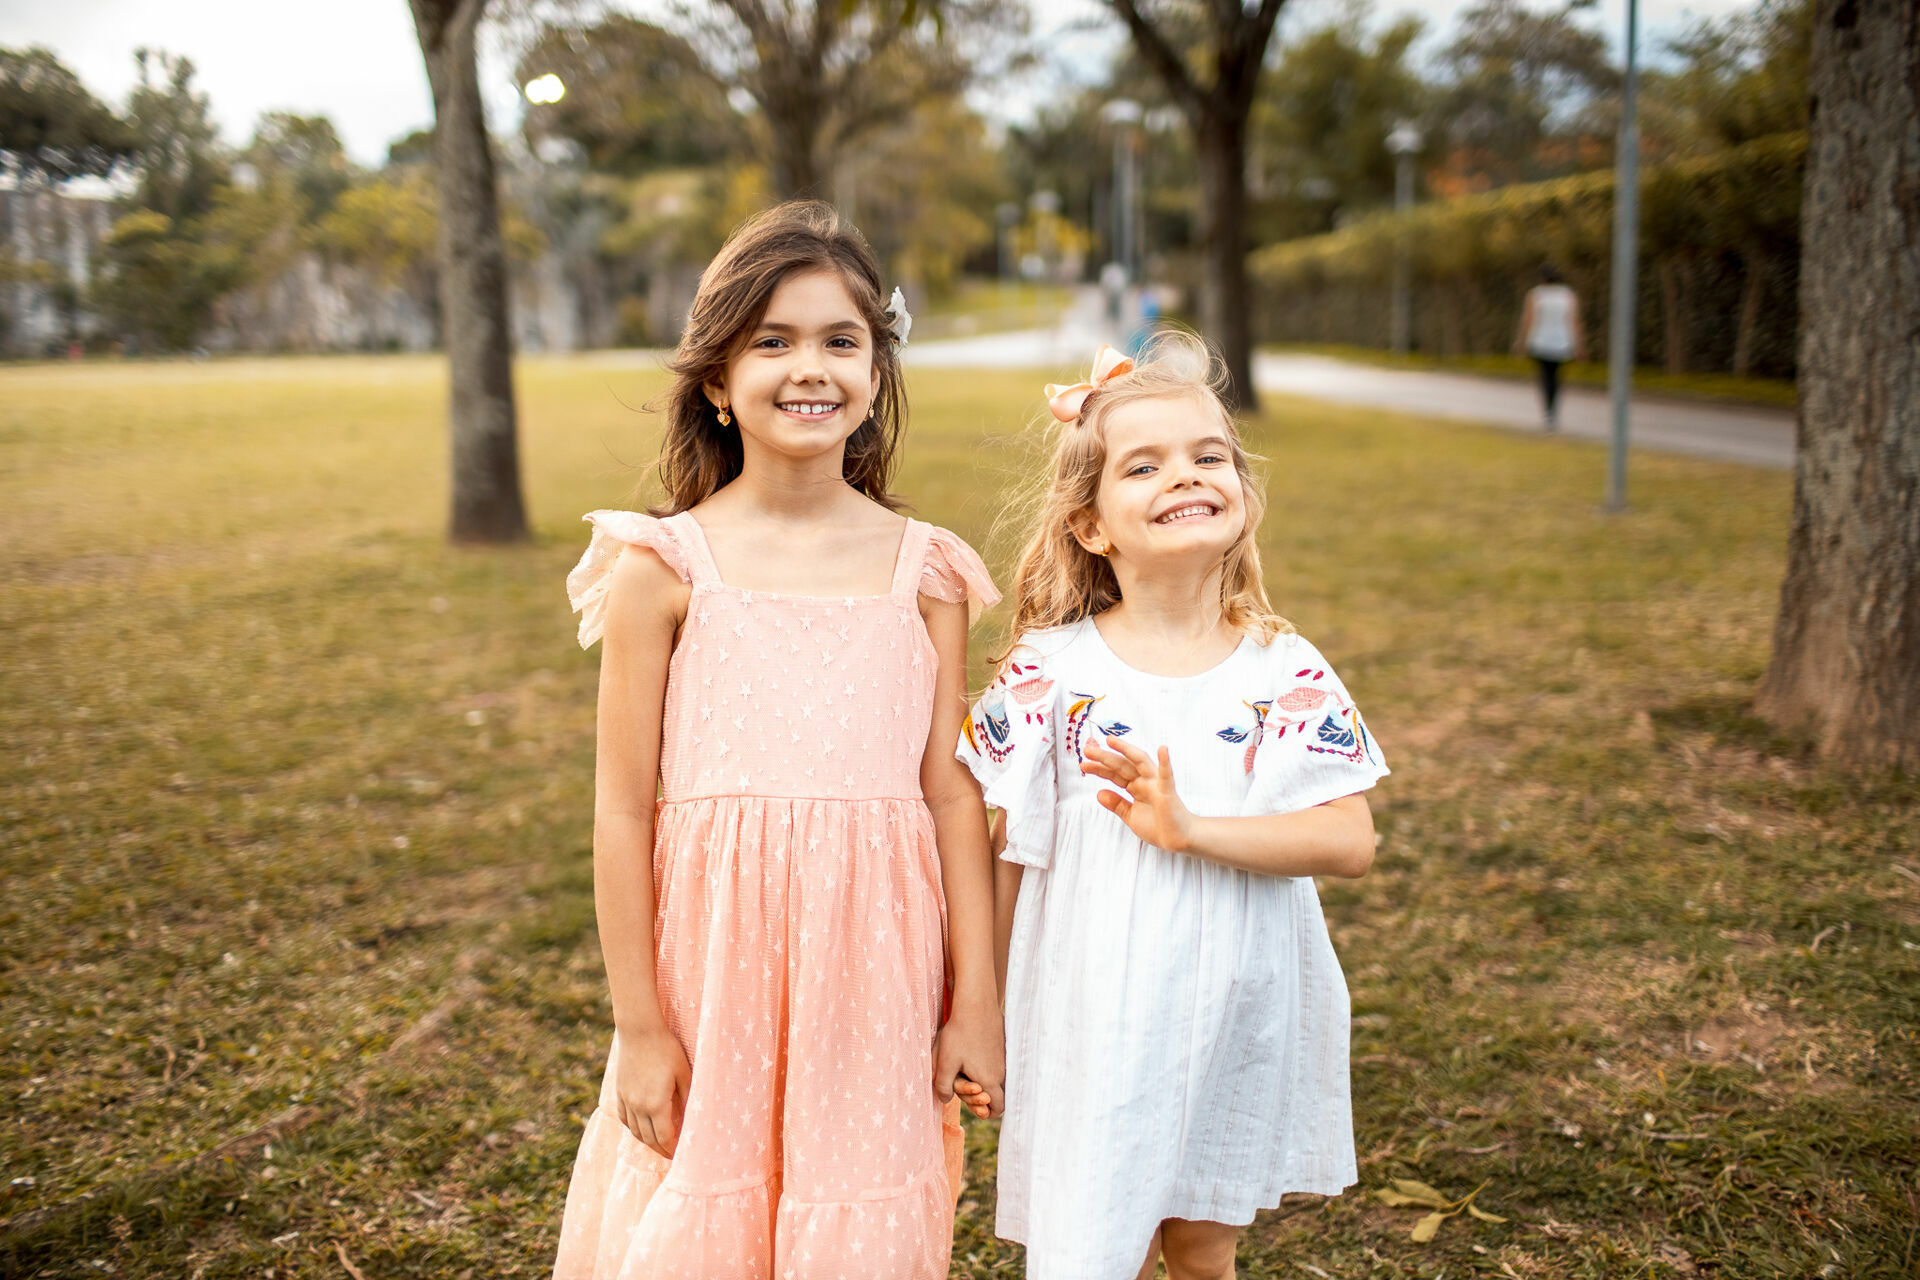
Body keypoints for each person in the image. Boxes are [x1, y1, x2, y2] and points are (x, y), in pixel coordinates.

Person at [553, 200, 1005, 1280]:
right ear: (717, 379)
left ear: (878, 369)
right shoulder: (662, 566)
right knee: (707, 1218)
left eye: (841, 340)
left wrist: (975, 1000)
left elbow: (952, 797)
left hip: (879, 973)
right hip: (712, 974)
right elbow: (623, 805)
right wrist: (642, 1026)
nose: (813, 368)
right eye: (774, 340)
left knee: (856, 1219)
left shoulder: (926, 570)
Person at [957, 336, 1388, 1280]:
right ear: (1092, 525)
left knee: (1202, 1248)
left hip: (1236, 1009)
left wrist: (1192, 828)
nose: (1185, 476)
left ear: (1241, 493)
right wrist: (976, 1012)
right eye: (1142, 464)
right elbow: (1003, 850)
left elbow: (1349, 839)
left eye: (1209, 455)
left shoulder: (1284, 669)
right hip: (1091, 1015)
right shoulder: (1051, 672)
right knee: (1088, 1251)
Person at [1513, 264, 1586, 430]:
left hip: (1541, 341)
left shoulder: (1536, 295)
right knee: (1556, 377)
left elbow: (1528, 320)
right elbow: (1575, 322)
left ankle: (1548, 412)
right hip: (1562, 342)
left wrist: (1521, 343)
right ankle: (1553, 410)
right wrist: (1580, 345)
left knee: (1545, 377)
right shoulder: (1568, 295)